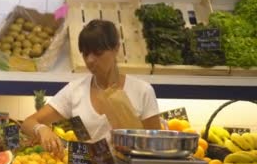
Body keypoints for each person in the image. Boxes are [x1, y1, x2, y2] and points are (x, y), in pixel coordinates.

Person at [21, 19, 161, 154]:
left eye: (98, 53)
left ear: (116, 48)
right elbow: (28, 122)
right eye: (85, 54)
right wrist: (41, 129)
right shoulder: (75, 90)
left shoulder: (142, 91)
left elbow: (155, 145)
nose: (90, 60)